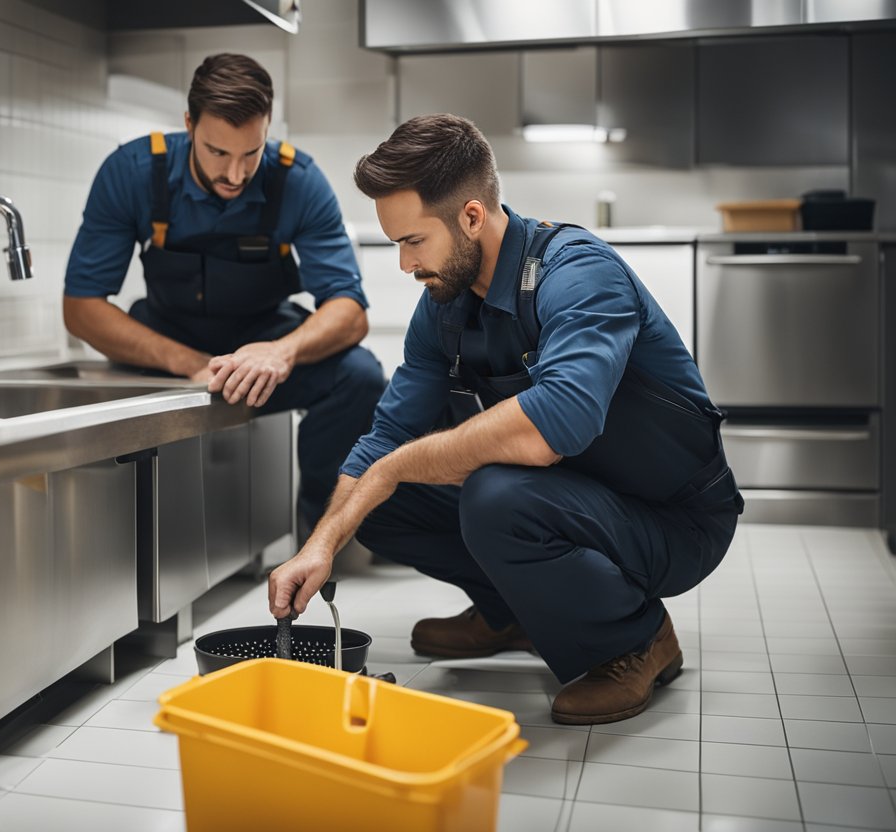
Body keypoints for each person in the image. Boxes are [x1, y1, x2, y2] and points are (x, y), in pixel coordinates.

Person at [268, 114, 743, 725]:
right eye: (398, 245)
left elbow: (553, 427)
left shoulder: (577, 274)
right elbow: (386, 437)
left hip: (673, 518)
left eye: (414, 241)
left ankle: (636, 640)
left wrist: (396, 465)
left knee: (494, 495)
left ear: (470, 216)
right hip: (576, 494)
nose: (405, 265)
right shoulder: (444, 305)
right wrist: (321, 545)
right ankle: (512, 611)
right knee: (376, 502)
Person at [63, 53, 384, 532]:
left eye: (250, 154)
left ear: (268, 128)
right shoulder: (133, 171)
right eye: (218, 153)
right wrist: (190, 363)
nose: (235, 175)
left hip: (264, 339)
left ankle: (323, 530)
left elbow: (349, 309)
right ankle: (132, 534)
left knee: (359, 375)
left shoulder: (298, 181)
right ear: (189, 124)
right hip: (169, 344)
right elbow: (82, 308)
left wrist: (281, 352)